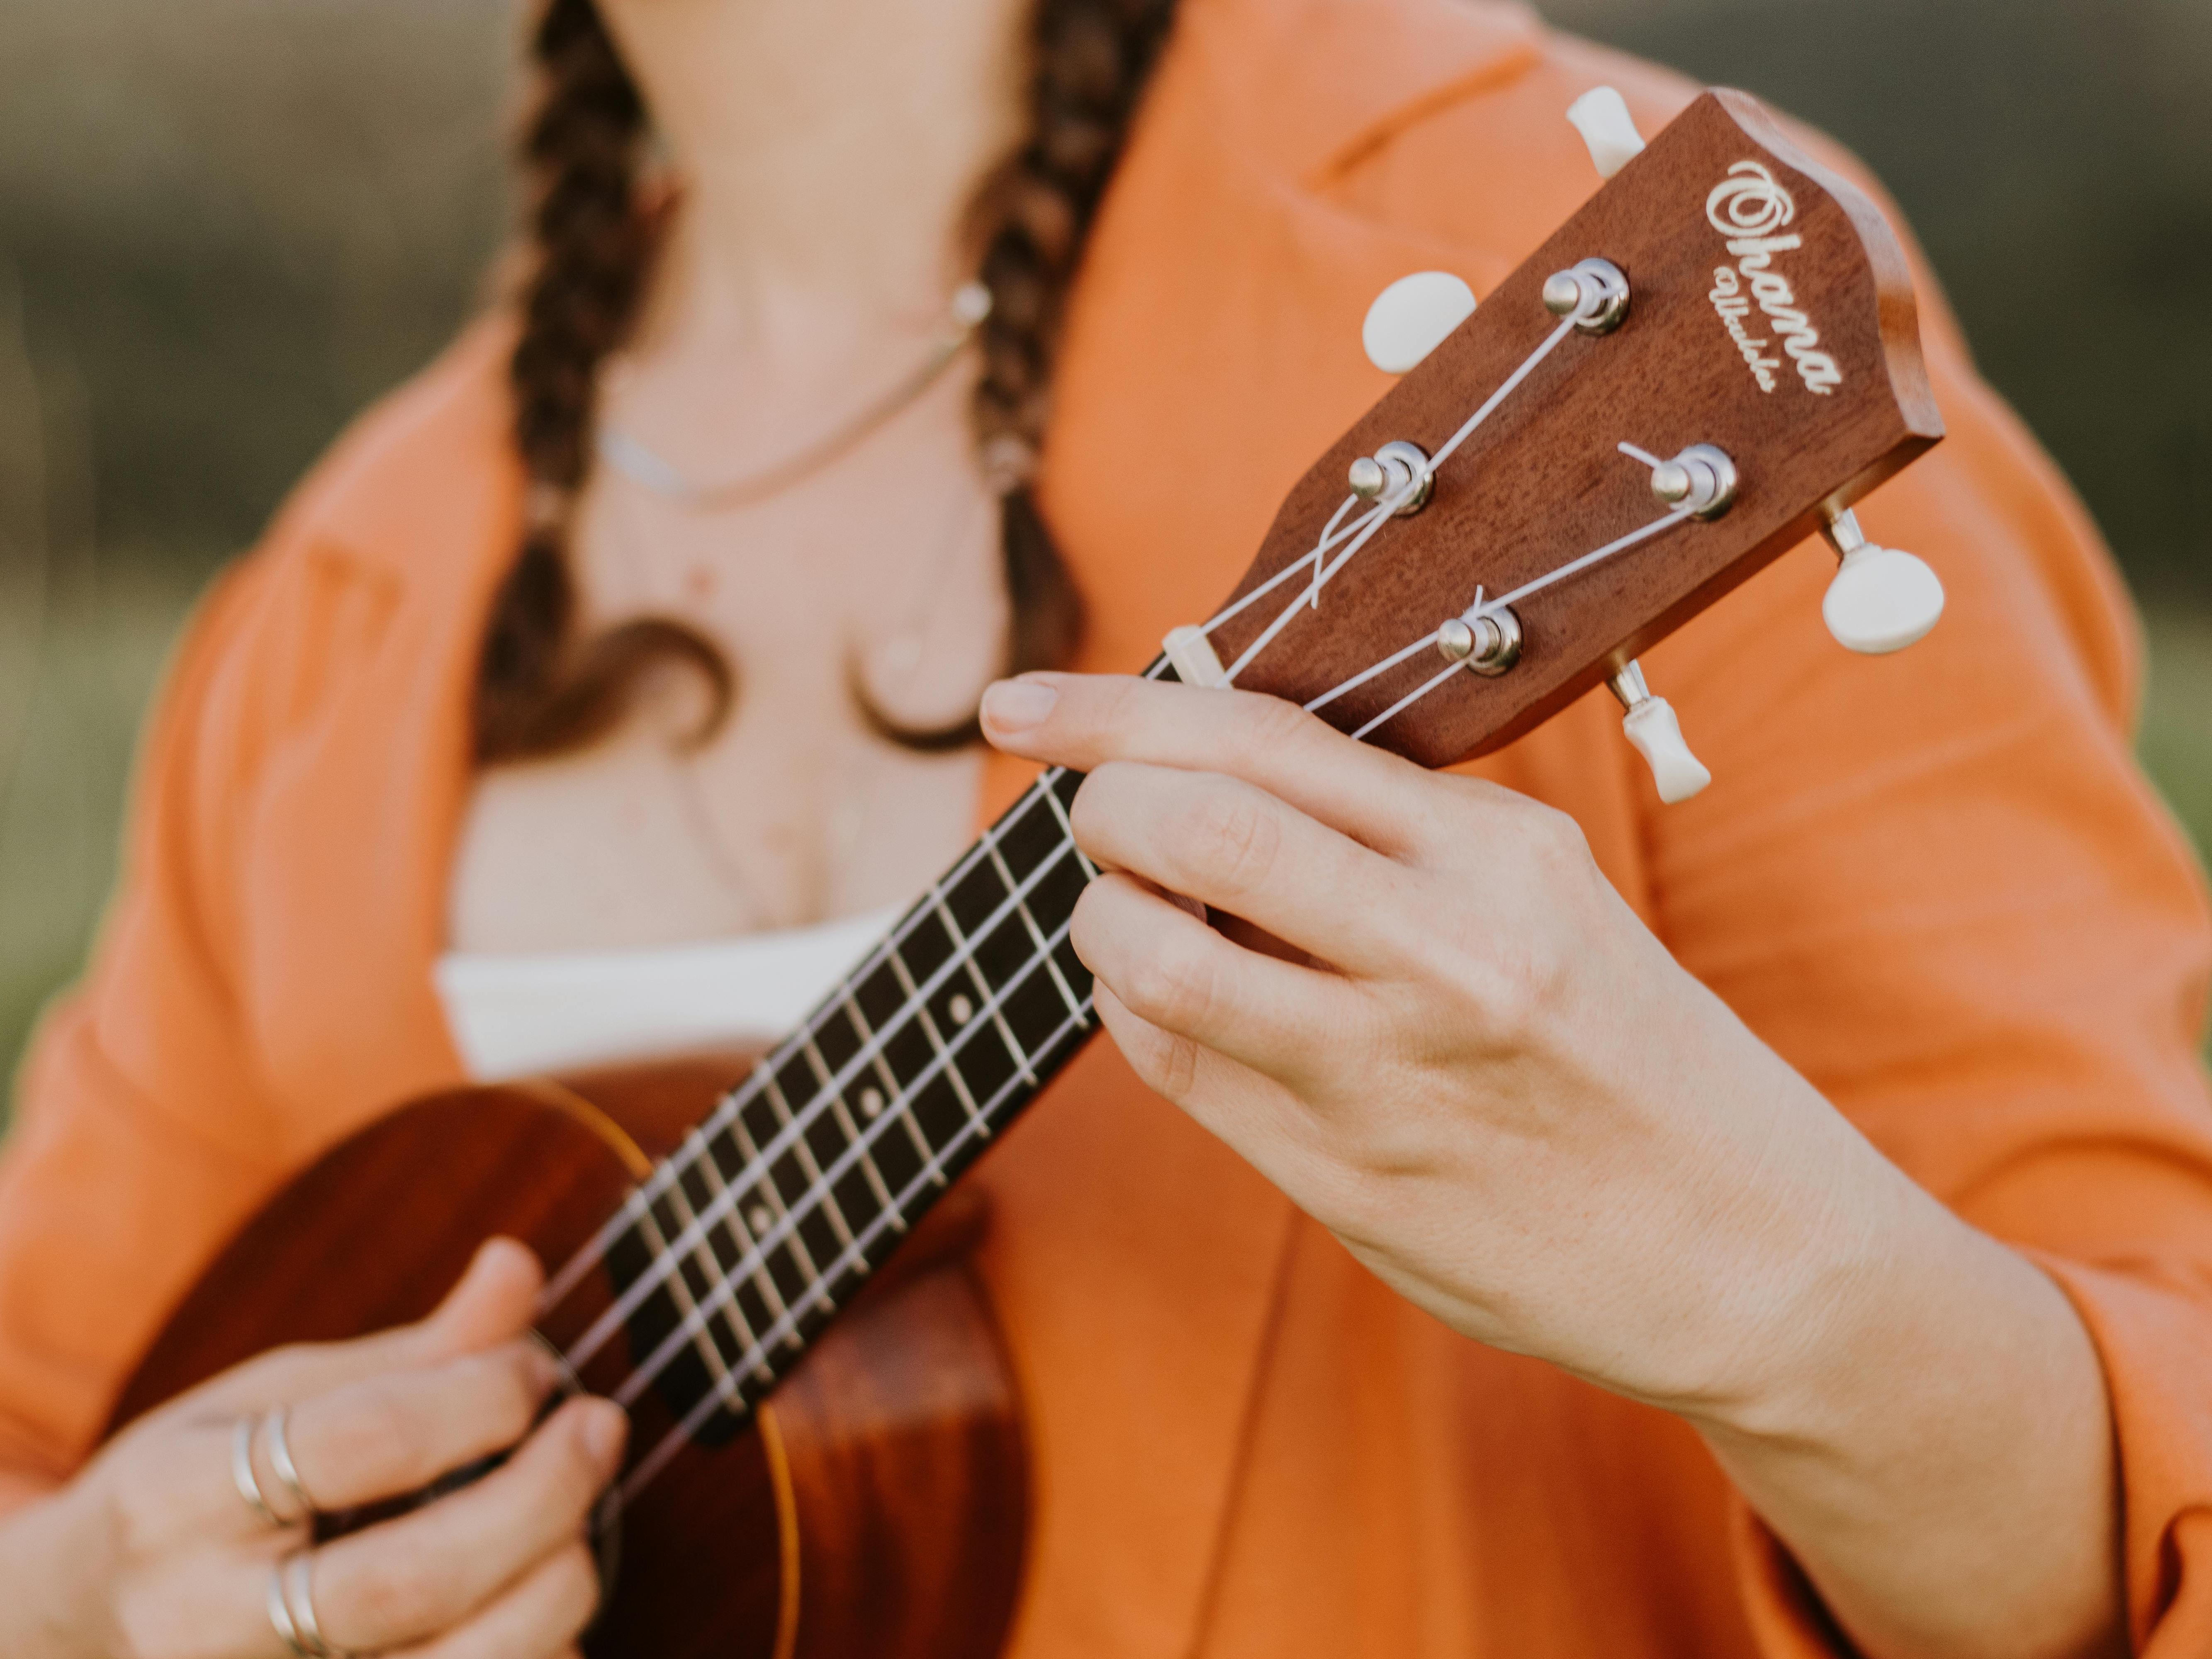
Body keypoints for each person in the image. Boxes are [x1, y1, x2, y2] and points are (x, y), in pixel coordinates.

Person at [0, 0, 2207, 1653]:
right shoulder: (343, 591)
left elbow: (2158, 1531)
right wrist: (97, 1597)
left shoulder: (1560, 282)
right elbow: (42, 1435)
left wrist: (1784, 1305)